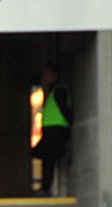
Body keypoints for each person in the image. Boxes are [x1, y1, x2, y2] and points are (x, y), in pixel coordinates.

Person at [31, 63, 73, 196]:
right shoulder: (52, 90)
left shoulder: (59, 90)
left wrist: (70, 123)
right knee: (46, 156)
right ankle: (61, 153)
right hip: (52, 130)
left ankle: (45, 188)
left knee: (45, 156)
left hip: (56, 130)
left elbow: (64, 109)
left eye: (47, 74)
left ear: (54, 76)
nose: (44, 78)